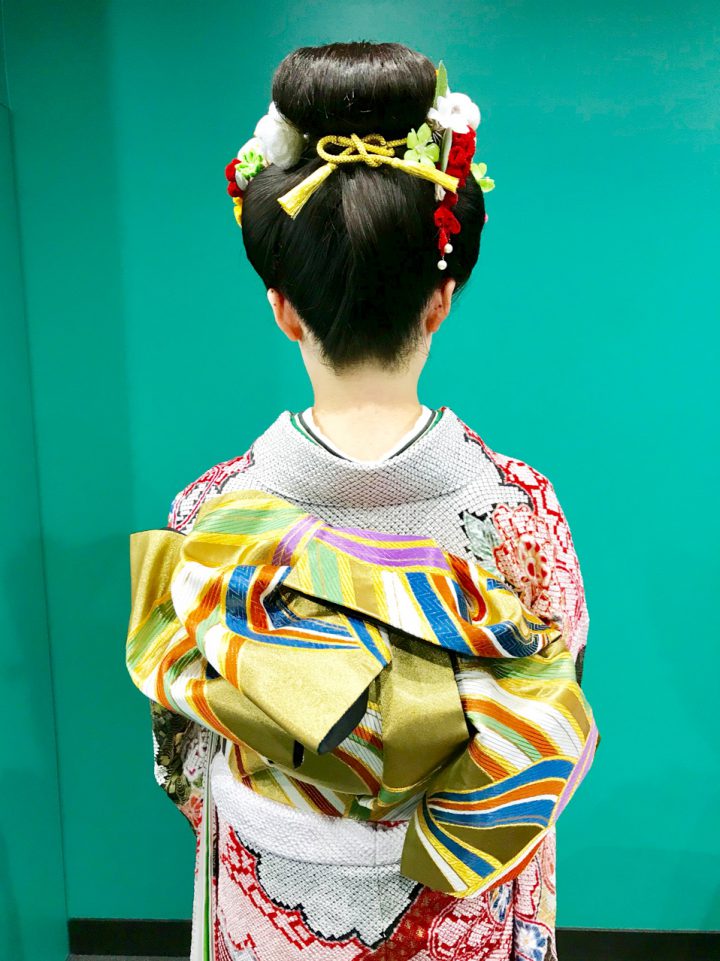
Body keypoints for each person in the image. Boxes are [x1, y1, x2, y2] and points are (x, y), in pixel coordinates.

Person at [126, 40, 598, 961]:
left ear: (282, 308)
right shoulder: (520, 510)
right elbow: (555, 723)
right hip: (459, 893)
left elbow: (183, 757)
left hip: (272, 894)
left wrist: (305, 800)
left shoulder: (210, 510)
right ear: (440, 301)